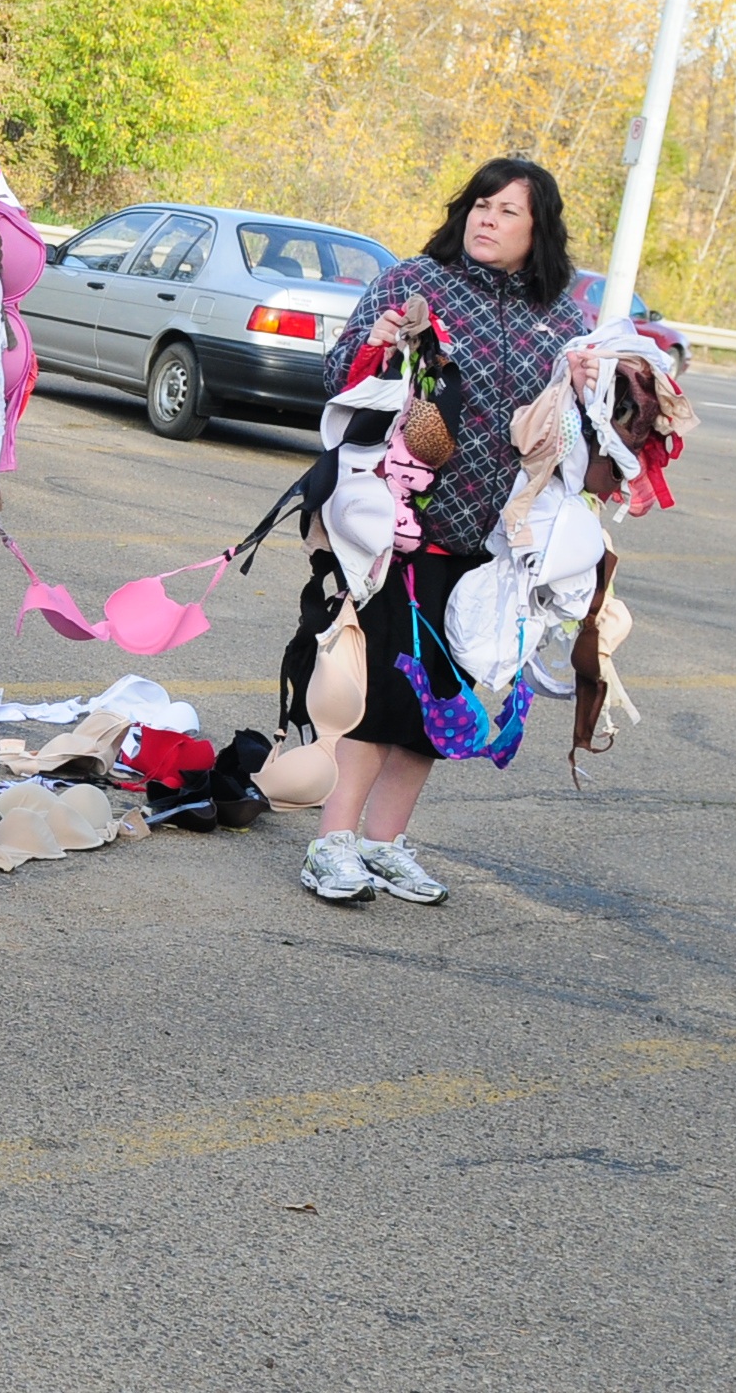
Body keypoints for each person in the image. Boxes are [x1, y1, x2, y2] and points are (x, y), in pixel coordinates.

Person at [302, 156, 594, 908]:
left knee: (440, 703)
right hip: (399, 533)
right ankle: (332, 843)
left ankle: (385, 843)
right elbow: (337, 374)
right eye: (480, 205)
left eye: (507, 211)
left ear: (540, 230)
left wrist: (593, 391)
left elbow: (573, 435)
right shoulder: (413, 282)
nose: (487, 219)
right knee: (376, 696)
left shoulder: (562, 317)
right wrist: (386, 340)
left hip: (493, 548)